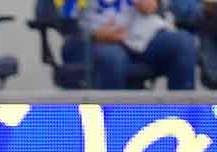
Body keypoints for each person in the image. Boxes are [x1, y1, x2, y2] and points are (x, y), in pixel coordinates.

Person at [63, 0, 197, 89]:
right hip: (90, 40)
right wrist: (94, 35)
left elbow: (156, 7)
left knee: (183, 43)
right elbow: (64, 19)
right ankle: (115, 120)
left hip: (140, 33)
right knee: (113, 58)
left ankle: (182, 117)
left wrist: (152, 5)